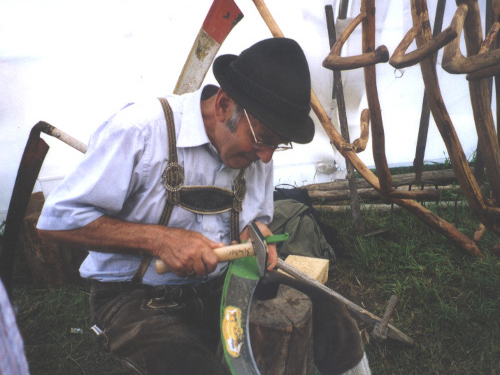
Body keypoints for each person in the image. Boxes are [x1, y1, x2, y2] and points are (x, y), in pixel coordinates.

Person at [37, 38, 369, 374]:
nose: (267, 156)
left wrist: (255, 233)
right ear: (225, 105)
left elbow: (253, 221)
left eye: (277, 145)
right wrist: (160, 240)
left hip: (223, 284)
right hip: (134, 298)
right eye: (264, 138)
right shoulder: (141, 131)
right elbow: (55, 221)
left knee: (333, 319)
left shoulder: (255, 149)